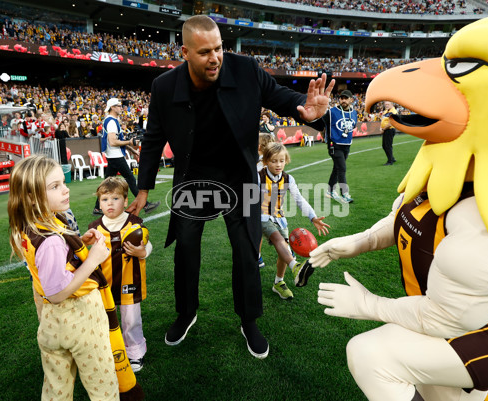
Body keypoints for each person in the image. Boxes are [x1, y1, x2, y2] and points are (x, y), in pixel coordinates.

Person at [127, 15, 334, 359]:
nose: (215, 57)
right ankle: (186, 312)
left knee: (246, 249)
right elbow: (153, 140)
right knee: (187, 247)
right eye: (205, 51)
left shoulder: (246, 70)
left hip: (240, 176)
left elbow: (283, 97)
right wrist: (144, 188)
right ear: (186, 52)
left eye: (219, 48)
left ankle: (249, 320)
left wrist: (307, 110)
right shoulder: (164, 87)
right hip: (193, 177)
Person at [7, 155, 120, 400]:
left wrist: (79, 244)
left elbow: (53, 266)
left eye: (63, 182)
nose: (65, 189)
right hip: (79, 319)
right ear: (30, 196)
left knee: (56, 387)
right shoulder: (51, 241)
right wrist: (92, 259)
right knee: (102, 383)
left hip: (50, 323)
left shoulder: (31, 225)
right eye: (54, 186)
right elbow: (57, 292)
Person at [89, 176, 152, 373]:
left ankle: (135, 352)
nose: (110, 203)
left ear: (125, 201)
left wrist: (141, 252)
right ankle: (111, 349)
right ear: (99, 203)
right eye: (105, 199)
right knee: (106, 318)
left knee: (131, 318)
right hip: (104, 282)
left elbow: (147, 246)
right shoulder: (95, 228)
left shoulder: (135, 223)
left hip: (129, 280)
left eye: (115, 199)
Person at [259, 143, 330, 300]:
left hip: (279, 218)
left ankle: (279, 282)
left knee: (284, 249)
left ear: (286, 161)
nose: (278, 164)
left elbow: (299, 199)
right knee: (278, 240)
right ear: (266, 162)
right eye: (273, 161)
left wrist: (313, 217)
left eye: (281, 160)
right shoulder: (258, 176)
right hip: (260, 217)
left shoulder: (288, 179)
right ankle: (296, 266)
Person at [93, 97, 159, 216]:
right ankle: (145, 205)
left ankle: (97, 208)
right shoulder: (112, 121)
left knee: (107, 183)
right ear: (112, 107)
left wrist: (131, 150)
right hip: (115, 156)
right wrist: (129, 143)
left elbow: (116, 141)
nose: (121, 107)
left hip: (113, 155)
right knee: (131, 179)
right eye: (118, 105)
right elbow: (113, 142)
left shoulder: (110, 120)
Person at [318, 89, 357, 203]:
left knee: (337, 168)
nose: (343, 100)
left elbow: (353, 126)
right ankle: (344, 194)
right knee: (342, 168)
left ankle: (329, 191)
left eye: (346, 98)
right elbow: (321, 123)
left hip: (346, 144)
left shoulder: (354, 113)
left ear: (351, 100)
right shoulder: (331, 112)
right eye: (341, 98)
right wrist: (324, 135)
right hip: (334, 144)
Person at [257, 132, 275, 269]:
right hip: (273, 201)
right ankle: (287, 251)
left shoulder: (258, 164)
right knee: (275, 229)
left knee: (256, 230)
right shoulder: (273, 163)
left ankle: (257, 256)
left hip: (258, 201)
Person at [380, 101, 397, 165]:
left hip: (389, 129)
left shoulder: (393, 112)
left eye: (388, 104)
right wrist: (381, 127)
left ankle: (390, 161)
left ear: (392, 104)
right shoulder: (386, 111)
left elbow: (390, 123)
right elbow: (383, 120)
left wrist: (383, 129)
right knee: (385, 145)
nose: (386, 105)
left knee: (387, 146)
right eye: (385, 104)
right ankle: (391, 158)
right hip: (386, 130)